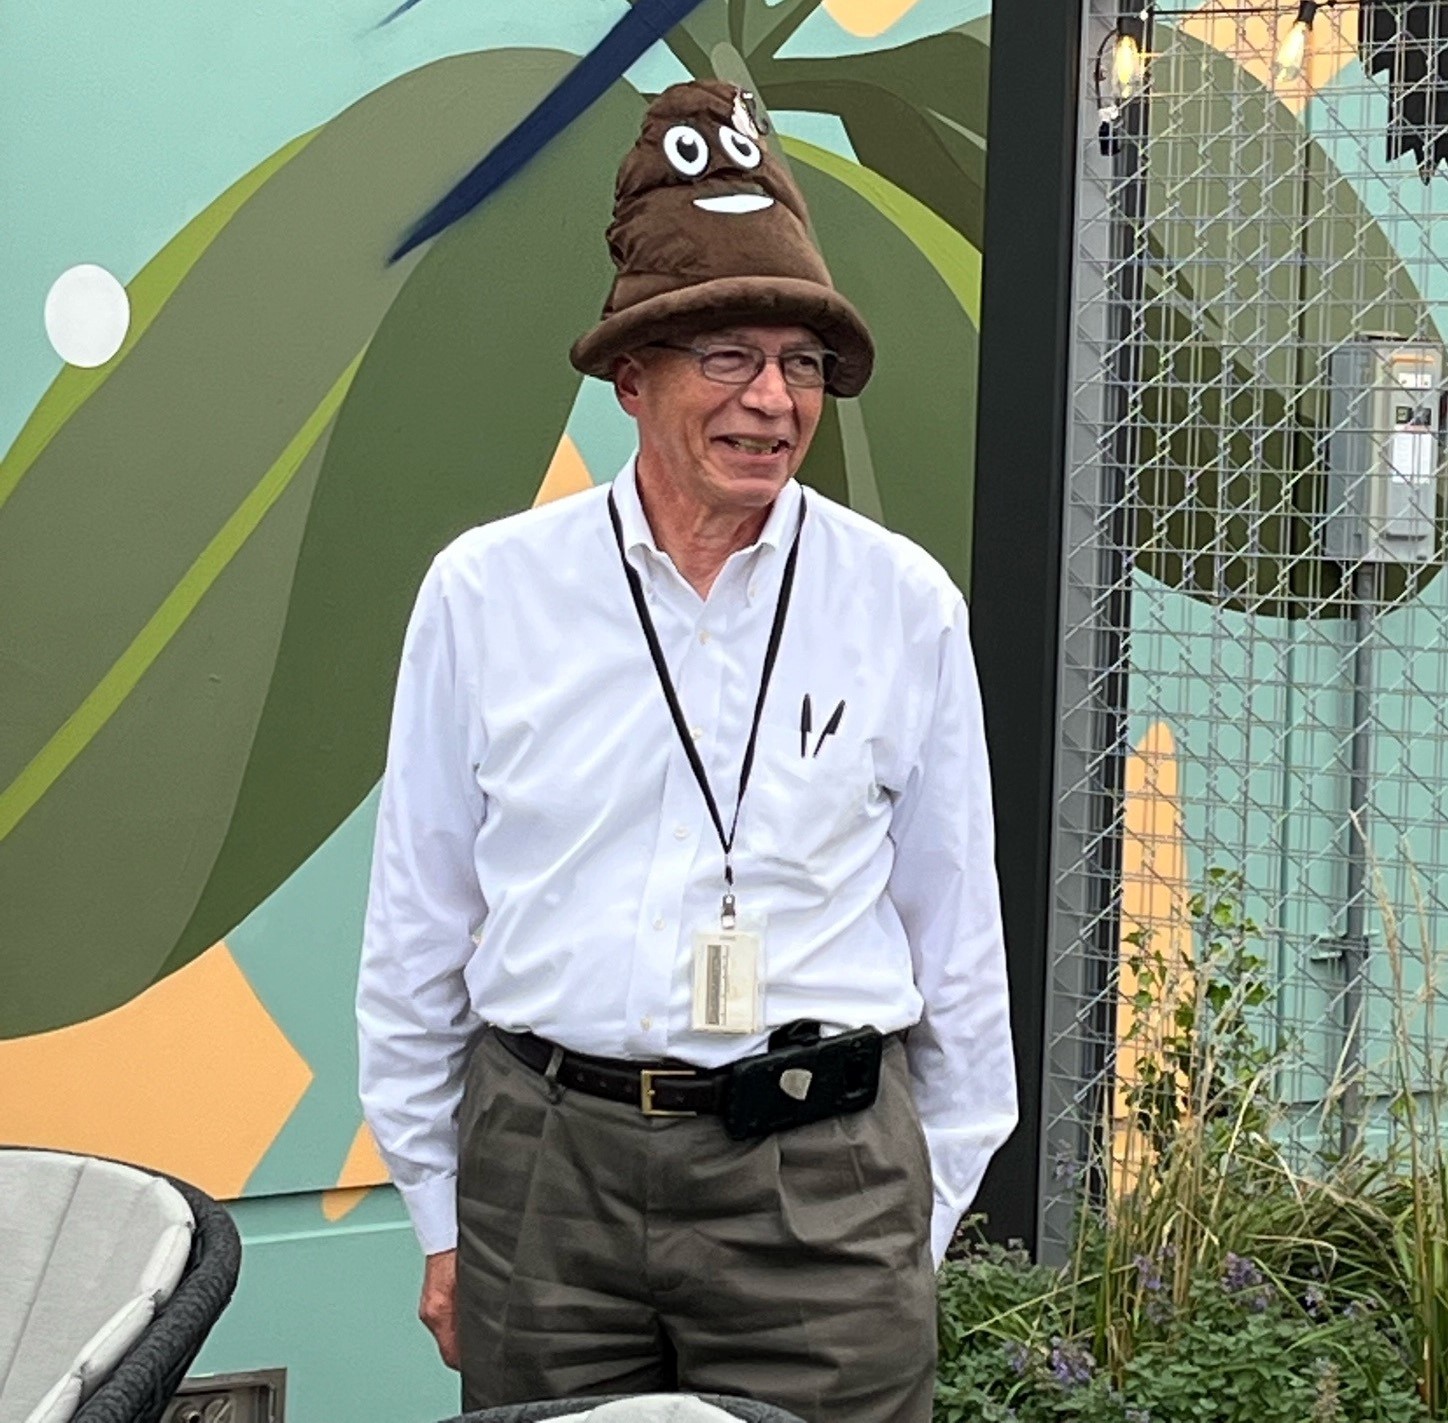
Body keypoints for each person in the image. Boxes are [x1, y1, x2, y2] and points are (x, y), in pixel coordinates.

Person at [356, 79, 1017, 1423]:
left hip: (821, 1184)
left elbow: (959, 944)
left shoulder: (901, 608)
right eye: (727, 358)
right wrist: (439, 1208)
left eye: (801, 364)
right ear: (630, 376)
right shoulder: (487, 595)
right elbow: (420, 923)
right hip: (547, 1187)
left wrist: (909, 1225)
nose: (770, 402)